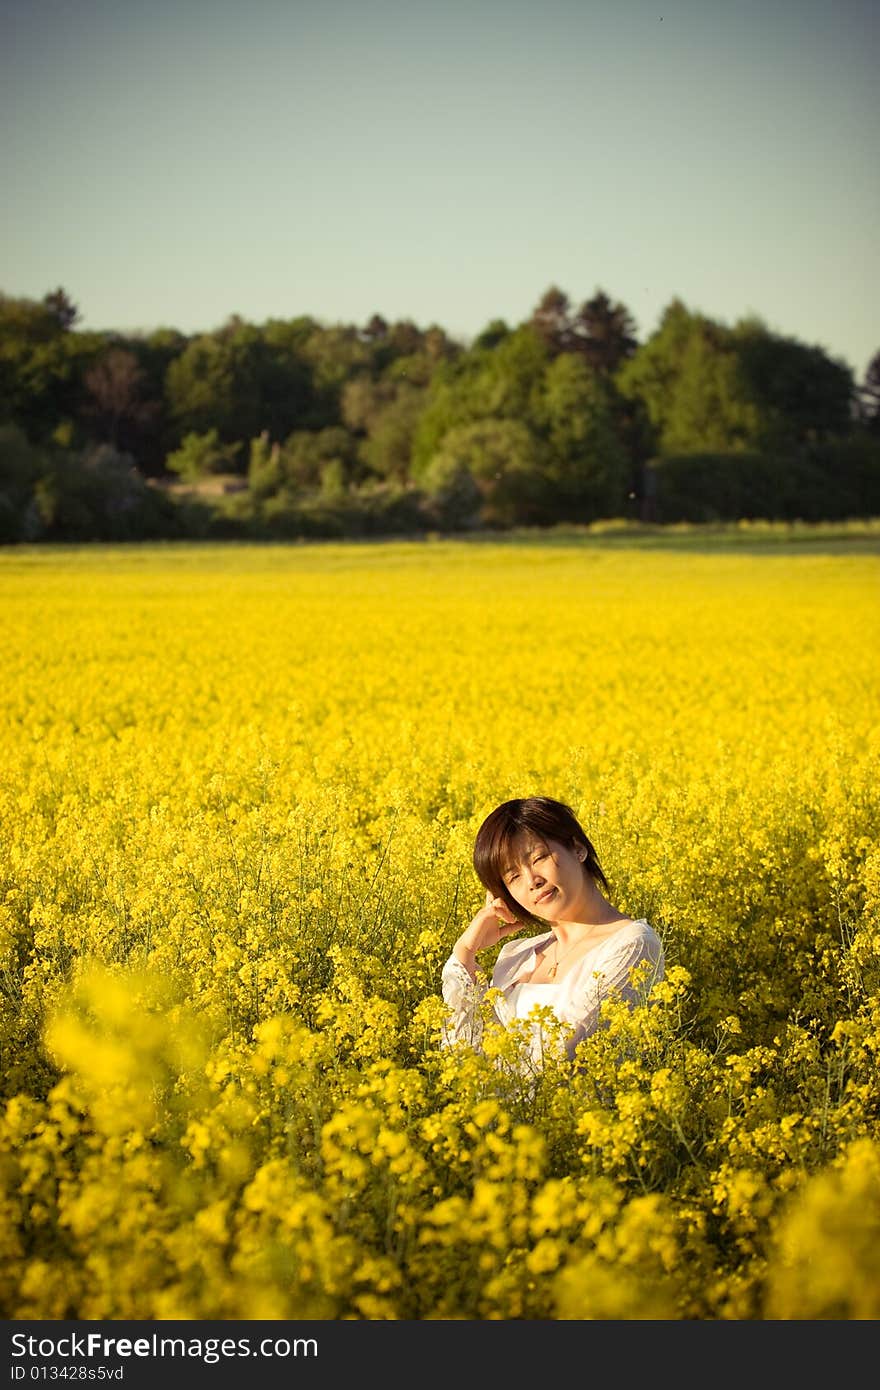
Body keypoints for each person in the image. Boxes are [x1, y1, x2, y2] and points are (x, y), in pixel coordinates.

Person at [441, 796, 665, 1069]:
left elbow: (562, 1058)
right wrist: (465, 954)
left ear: (578, 848)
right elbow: (463, 1058)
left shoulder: (632, 945)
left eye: (540, 857)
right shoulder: (517, 955)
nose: (533, 881)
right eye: (513, 877)